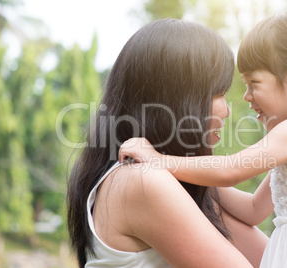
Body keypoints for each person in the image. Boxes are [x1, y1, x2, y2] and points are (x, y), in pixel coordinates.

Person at [119, 13, 287, 267]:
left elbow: (230, 170)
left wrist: (159, 160)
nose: (246, 96)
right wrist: (189, 179)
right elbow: (252, 210)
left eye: (253, 84)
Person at [67, 19, 269, 268]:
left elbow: (276, 259)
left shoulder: (180, 184)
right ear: (178, 99)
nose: (227, 111)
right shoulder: (141, 180)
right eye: (219, 94)